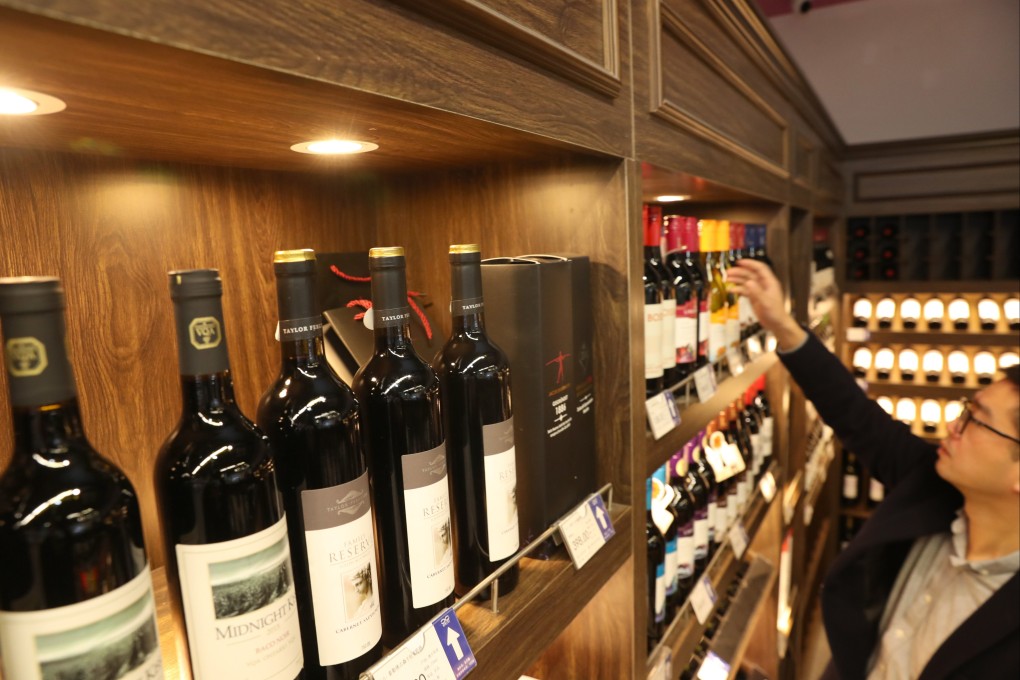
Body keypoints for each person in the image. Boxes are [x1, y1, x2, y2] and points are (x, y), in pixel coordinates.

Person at [728, 258, 1019, 680]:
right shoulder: (935, 487)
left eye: (977, 421)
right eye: (965, 409)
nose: (953, 426)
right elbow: (856, 416)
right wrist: (782, 324)